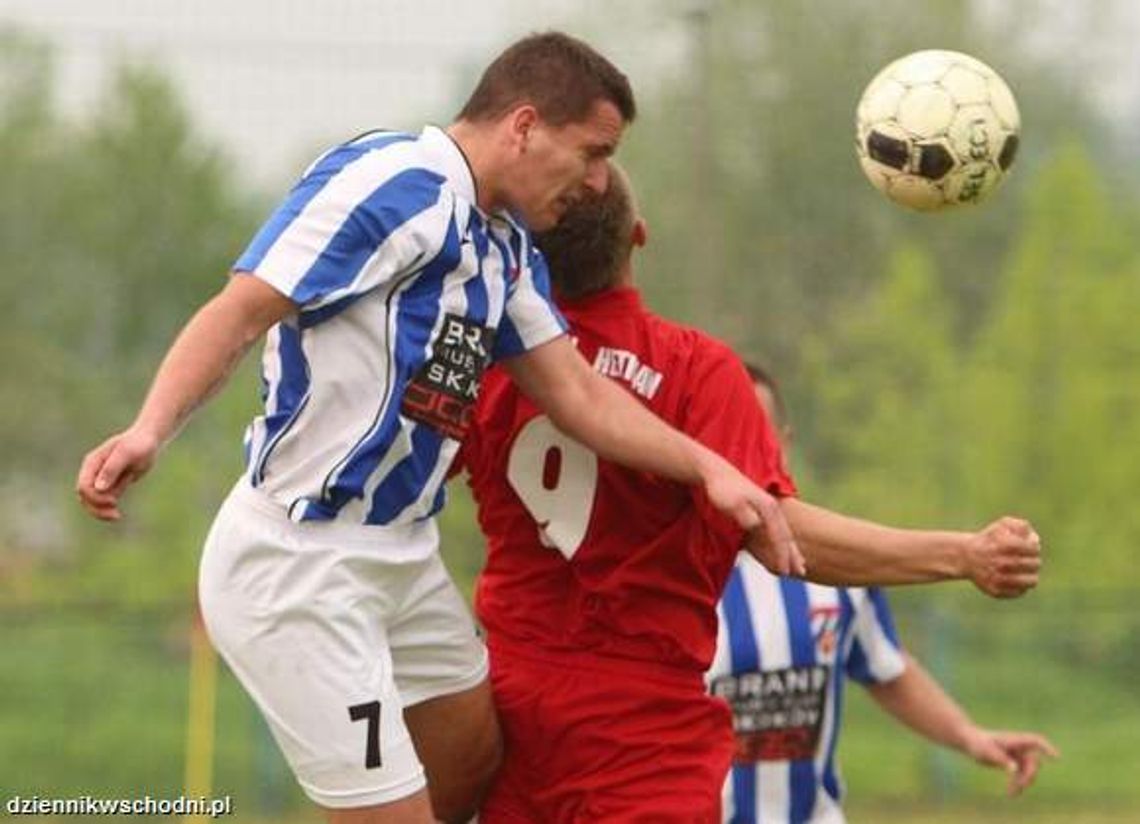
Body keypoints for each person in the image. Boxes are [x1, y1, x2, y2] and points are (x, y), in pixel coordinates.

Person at [74, 33, 804, 824]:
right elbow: (240, 310)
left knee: (472, 751)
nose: (599, 182)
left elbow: (579, 395)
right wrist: (149, 429)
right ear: (524, 126)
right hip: (301, 567)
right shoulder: (391, 185)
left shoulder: (503, 247)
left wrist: (708, 467)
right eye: (593, 153)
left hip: (403, 556)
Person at [458, 162, 1044, 822]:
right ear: (638, 236)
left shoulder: (491, 367)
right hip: (639, 734)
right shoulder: (693, 369)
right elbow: (780, 533)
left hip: (513, 712)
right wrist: (963, 554)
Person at [711, 364, 1059, 823]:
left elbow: (887, 669)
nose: (739, 449)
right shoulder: (670, 574)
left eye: (756, 431)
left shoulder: (836, 569)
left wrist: (969, 736)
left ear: (785, 444)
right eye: (724, 435)